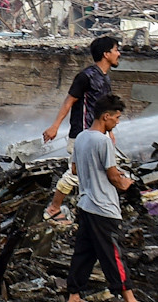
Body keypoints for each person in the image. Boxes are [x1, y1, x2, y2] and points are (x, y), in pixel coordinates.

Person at [65, 95, 149, 302]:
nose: (118, 122)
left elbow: (74, 170)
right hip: (103, 208)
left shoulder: (82, 137)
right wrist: (128, 184)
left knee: (84, 253)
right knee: (113, 254)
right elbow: (113, 177)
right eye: (117, 117)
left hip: (85, 204)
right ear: (106, 117)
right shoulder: (103, 141)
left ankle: (74, 297)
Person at [42, 36, 121, 222]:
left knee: (94, 173)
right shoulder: (86, 77)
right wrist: (54, 127)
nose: (119, 54)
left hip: (97, 136)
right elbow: (69, 101)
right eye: (116, 49)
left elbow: (104, 112)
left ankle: (84, 210)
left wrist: (110, 133)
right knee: (77, 174)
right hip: (82, 135)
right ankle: (53, 208)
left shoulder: (105, 78)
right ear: (106, 53)